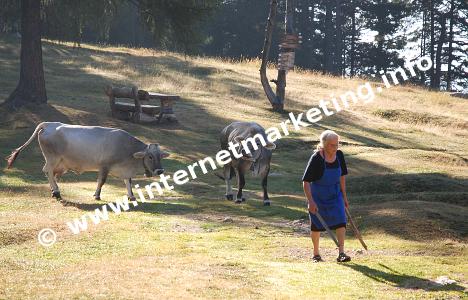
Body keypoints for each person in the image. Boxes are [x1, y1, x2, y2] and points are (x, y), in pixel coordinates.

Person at [302, 130, 351, 263]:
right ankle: (316, 253)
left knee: (341, 220)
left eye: (337, 145)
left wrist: (344, 197)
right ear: (324, 144)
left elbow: (342, 177)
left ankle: (341, 253)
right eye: (332, 145)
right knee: (316, 225)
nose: (335, 148)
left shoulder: (339, 155)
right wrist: (311, 201)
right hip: (318, 195)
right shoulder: (316, 158)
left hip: (335, 194)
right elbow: (306, 182)